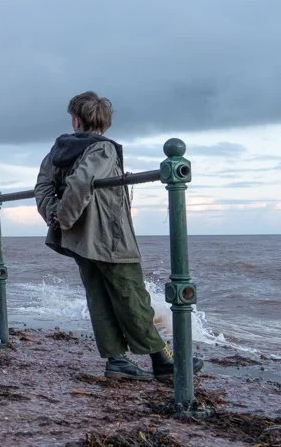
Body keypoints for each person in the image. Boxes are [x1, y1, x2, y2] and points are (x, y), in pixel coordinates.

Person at [34, 91, 203, 381]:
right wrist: (63, 217)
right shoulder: (104, 150)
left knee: (99, 296)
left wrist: (56, 217)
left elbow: (42, 188)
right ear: (104, 123)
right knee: (132, 294)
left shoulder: (57, 151)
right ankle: (161, 359)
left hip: (76, 238)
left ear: (76, 120)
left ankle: (117, 360)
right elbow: (81, 183)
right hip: (109, 237)